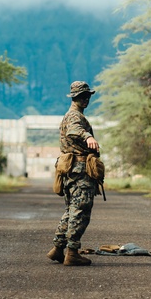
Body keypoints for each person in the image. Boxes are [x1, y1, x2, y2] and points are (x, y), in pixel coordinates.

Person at [47, 81, 101, 267]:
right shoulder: (74, 117)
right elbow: (74, 130)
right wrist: (88, 136)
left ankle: (57, 248)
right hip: (79, 171)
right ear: (74, 97)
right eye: (82, 96)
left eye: (88, 95)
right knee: (81, 211)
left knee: (71, 211)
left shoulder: (71, 115)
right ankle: (72, 253)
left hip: (71, 170)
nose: (86, 99)